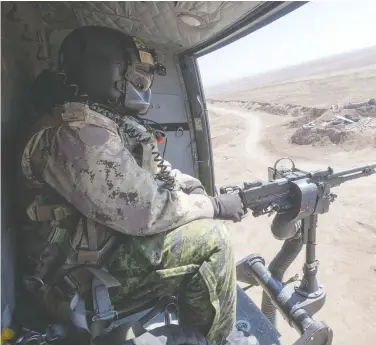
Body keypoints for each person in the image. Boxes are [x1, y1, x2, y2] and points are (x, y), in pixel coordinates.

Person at [17, 26, 250, 345]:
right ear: (103, 71)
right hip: (72, 281)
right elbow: (144, 208)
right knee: (212, 241)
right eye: (137, 73)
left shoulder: (103, 122)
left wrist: (193, 187)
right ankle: (217, 340)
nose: (143, 83)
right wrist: (214, 206)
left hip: (103, 249)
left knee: (197, 224)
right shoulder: (75, 134)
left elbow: (152, 171)